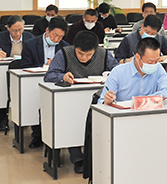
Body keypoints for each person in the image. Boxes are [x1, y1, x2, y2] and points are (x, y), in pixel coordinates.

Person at [44, 31, 115, 170]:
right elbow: (49, 75)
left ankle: (96, 155)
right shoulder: (64, 53)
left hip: (96, 98)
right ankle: (77, 157)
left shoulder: (104, 54)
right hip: (69, 102)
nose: (84, 57)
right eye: (80, 53)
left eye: (89, 54)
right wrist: (62, 77)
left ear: (95, 50)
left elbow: (117, 73)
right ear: (74, 47)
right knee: (72, 122)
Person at [99, 37, 167, 107]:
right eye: (150, 62)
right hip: (123, 113)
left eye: (157, 61)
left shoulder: (158, 68)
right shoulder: (118, 72)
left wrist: (142, 101)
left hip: (149, 111)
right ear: (137, 57)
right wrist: (107, 101)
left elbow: (166, 92)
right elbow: (101, 102)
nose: (154, 64)